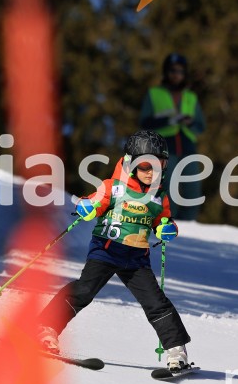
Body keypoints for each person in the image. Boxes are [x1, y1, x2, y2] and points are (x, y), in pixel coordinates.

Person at [36, 130, 192, 371]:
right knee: (84, 290)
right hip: (106, 252)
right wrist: (86, 207)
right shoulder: (113, 188)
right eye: (145, 167)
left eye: (158, 166)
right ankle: (44, 330)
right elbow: (92, 203)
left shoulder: (159, 197)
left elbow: (163, 221)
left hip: (137, 259)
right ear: (131, 165)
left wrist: (166, 229)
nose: (152, 173)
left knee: (156, 303)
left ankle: (176, 351)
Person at [139, 53, 206, 221]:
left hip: (187, 146)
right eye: (173, 71)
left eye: (181, 72)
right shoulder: (154, 94)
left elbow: (201, 126)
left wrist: (189, 122)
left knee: (193, 188)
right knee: (168, 187)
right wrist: (167, 120)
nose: (177, 75)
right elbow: (144, 121)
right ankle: (168, 222)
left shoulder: (191, 97)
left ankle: (190, 226)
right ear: (166, 72)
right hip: (164, 146)